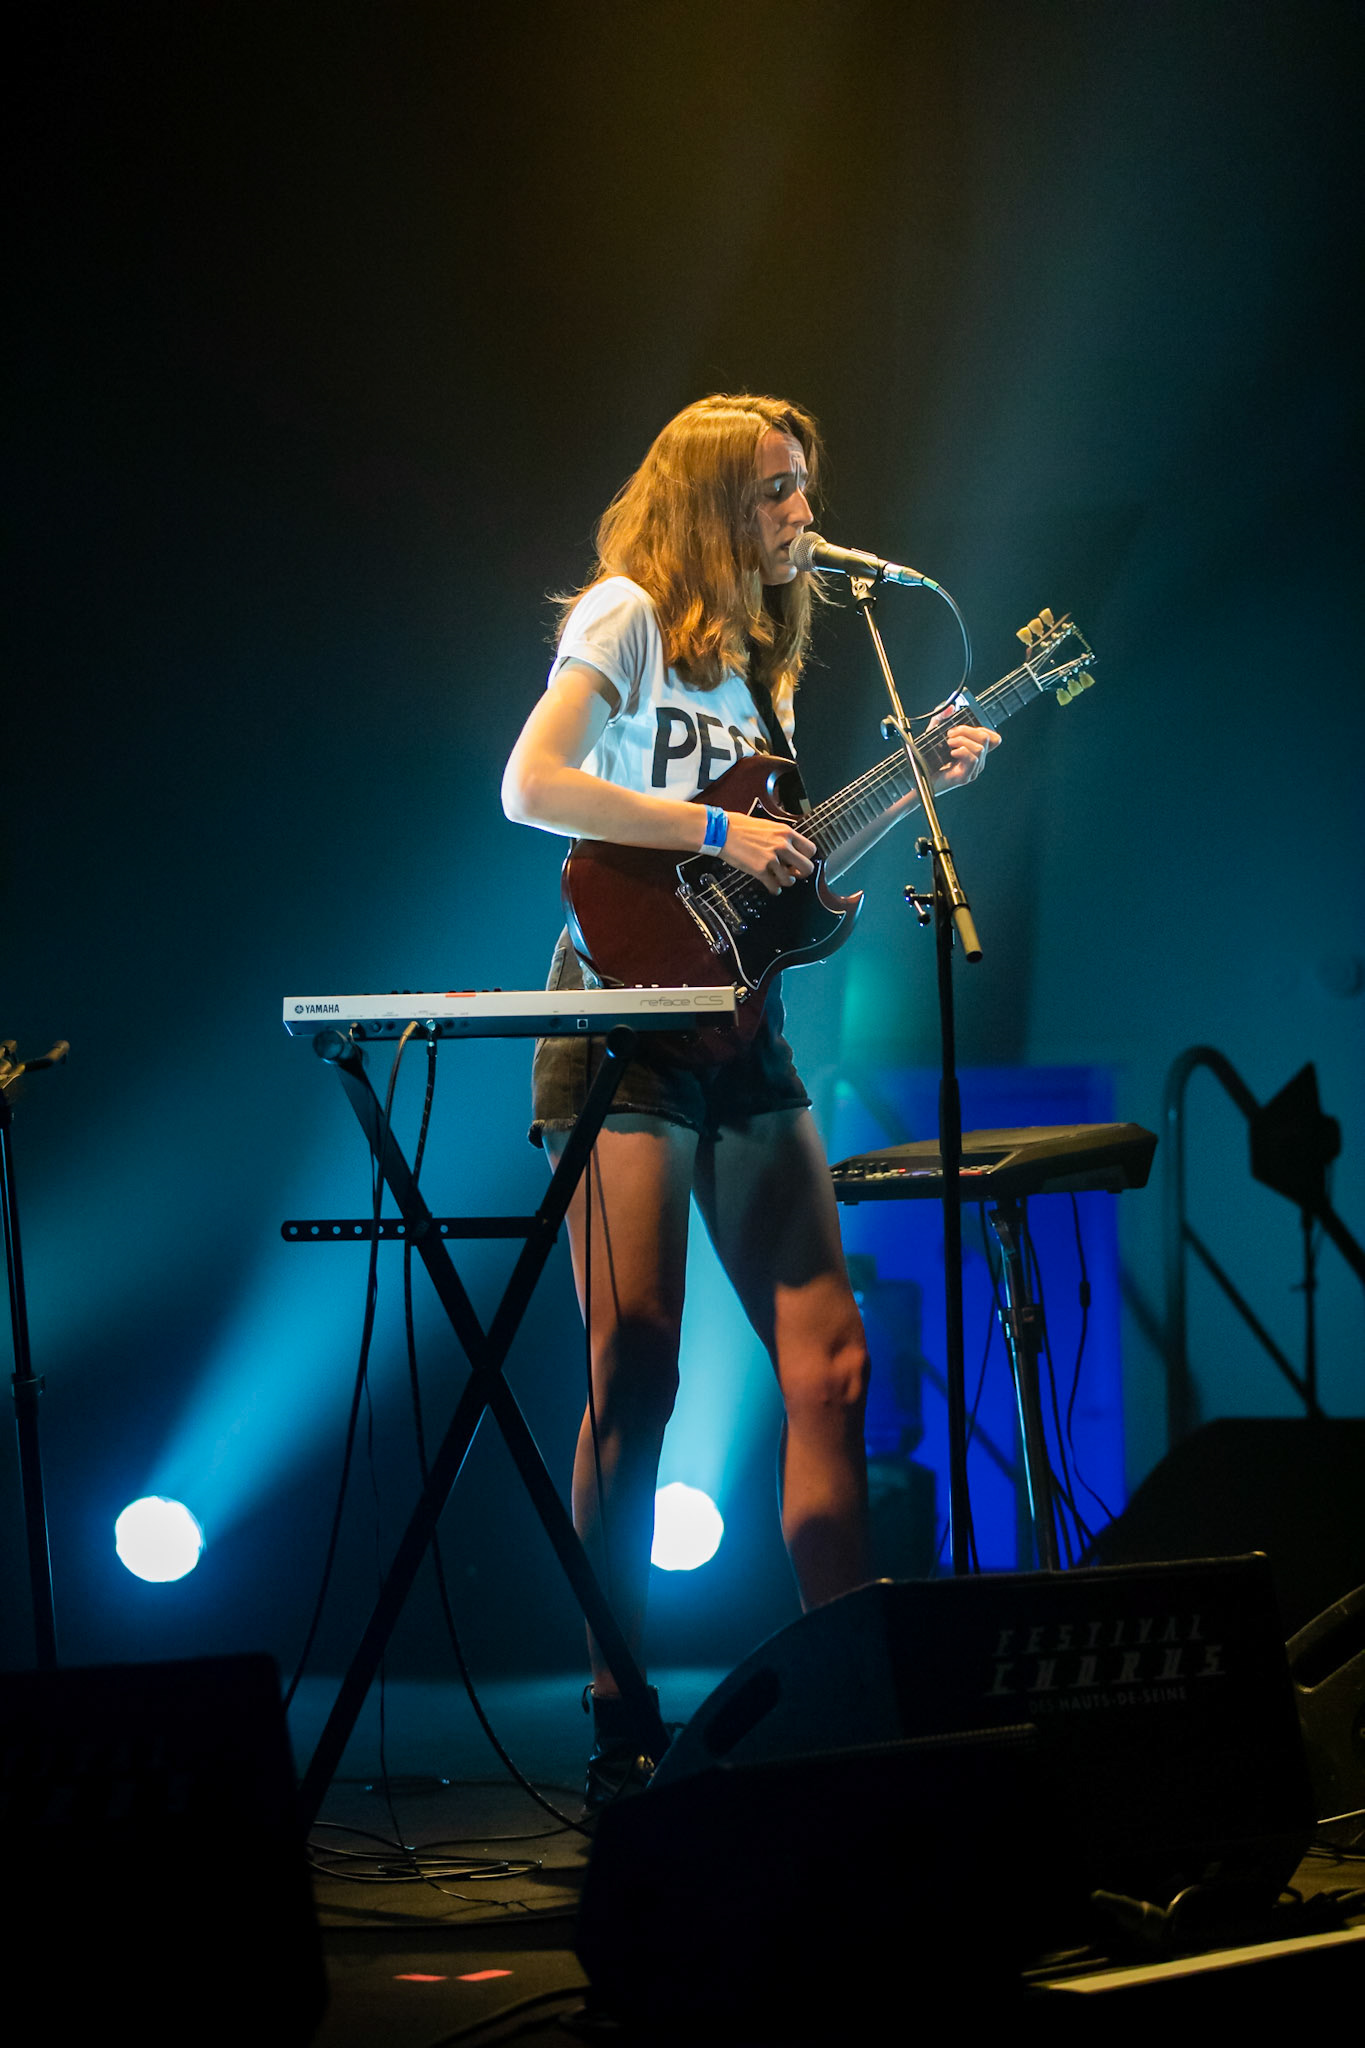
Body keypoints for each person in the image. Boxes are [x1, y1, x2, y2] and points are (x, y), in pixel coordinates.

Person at [501, 394, 998, 1804]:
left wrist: (918, 780)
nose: (803, 519)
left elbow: (777, 886)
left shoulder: (762, 671)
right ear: (714, 504)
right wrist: (719, 825)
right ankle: (616, 1703)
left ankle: (851, 1692)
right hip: (615, 1019)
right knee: (636, 1362)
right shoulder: (624, 617)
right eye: (777, 493)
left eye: (804, 490)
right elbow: (531, 785)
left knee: (831, 1367)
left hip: (745, 1028)